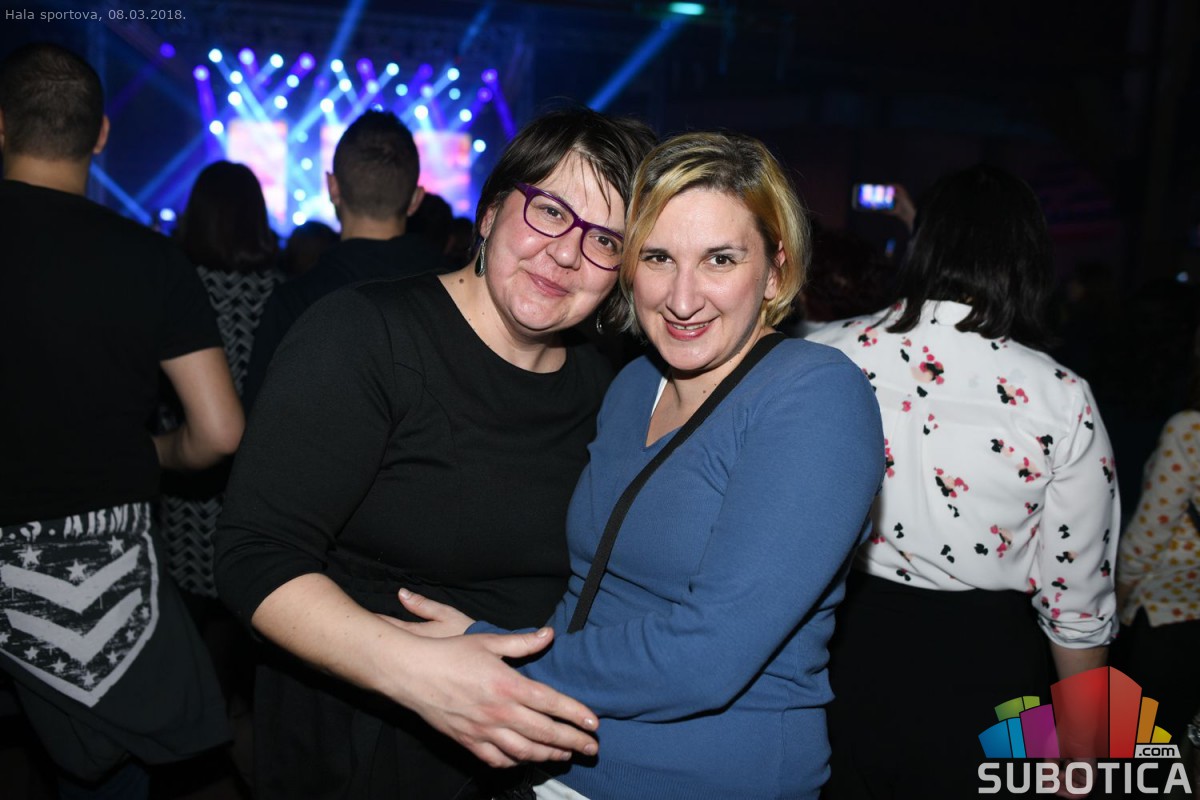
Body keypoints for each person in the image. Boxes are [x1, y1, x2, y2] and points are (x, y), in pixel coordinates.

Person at [395, 131, 886, 799]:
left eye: (719, 259)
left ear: (775, 270)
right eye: (658, 257)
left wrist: (492, 652)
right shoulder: (632, 385)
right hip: (556, 759)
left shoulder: (815, 394)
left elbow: (708, 655)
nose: (682, 299)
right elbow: (587, 594)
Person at [213, 107, 656, 799]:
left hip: (527, 767)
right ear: (490, 212)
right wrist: (424, 676)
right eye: (550, 212)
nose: (567, 253)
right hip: (361, 754)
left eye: (605, 239)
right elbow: (253, 557)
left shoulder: (607, 386)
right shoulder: (366, 335)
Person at [808, 165, 1120, 799]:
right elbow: (1076, 602)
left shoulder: (826, 354)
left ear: (922, 244)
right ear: (1028, 262)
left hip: (840, 651)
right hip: (988, 671)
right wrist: (1085, 751)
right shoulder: (1060, 398)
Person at [0, 43, 243, 796]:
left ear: (1, 126)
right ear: (101, 134)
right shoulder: (151, 260)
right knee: (106, 770)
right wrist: (157, 452)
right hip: (93, 575)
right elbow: (221, 431)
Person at [242, 109, 443, 410]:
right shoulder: (456, 291)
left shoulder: (294, 303)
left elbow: (261, 421)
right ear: (416, 199)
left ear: (332, 187)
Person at [162, 159, 281, 602]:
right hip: (261, 484)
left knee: (186, 607)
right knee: (250, 606)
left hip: (186, 467)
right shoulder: (283, 293)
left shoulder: (175, 288)